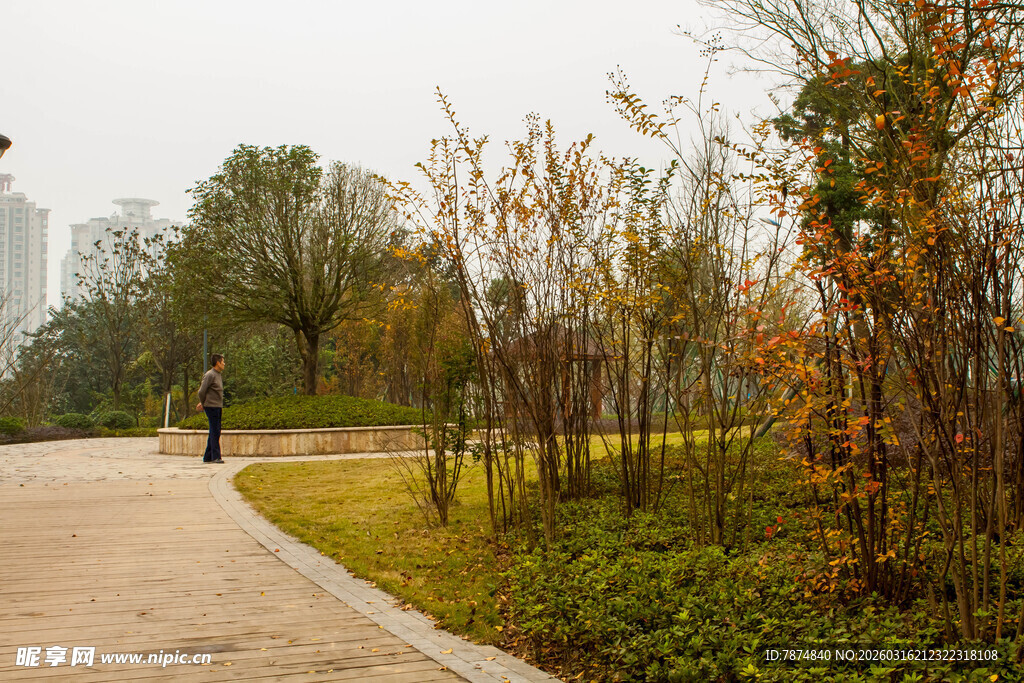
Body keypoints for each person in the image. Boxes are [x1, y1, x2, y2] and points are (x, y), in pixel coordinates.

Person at [196, 354, 226, 463]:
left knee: (215, 430)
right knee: (215, 431)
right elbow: (201, 391)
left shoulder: (218, 375)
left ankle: (208, 456)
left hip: (218, 406)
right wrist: (203, 403)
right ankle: (215, 456)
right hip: (211, 406)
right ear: (217, 363)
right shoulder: (210, 375)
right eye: (223, 362)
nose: (224, 364)